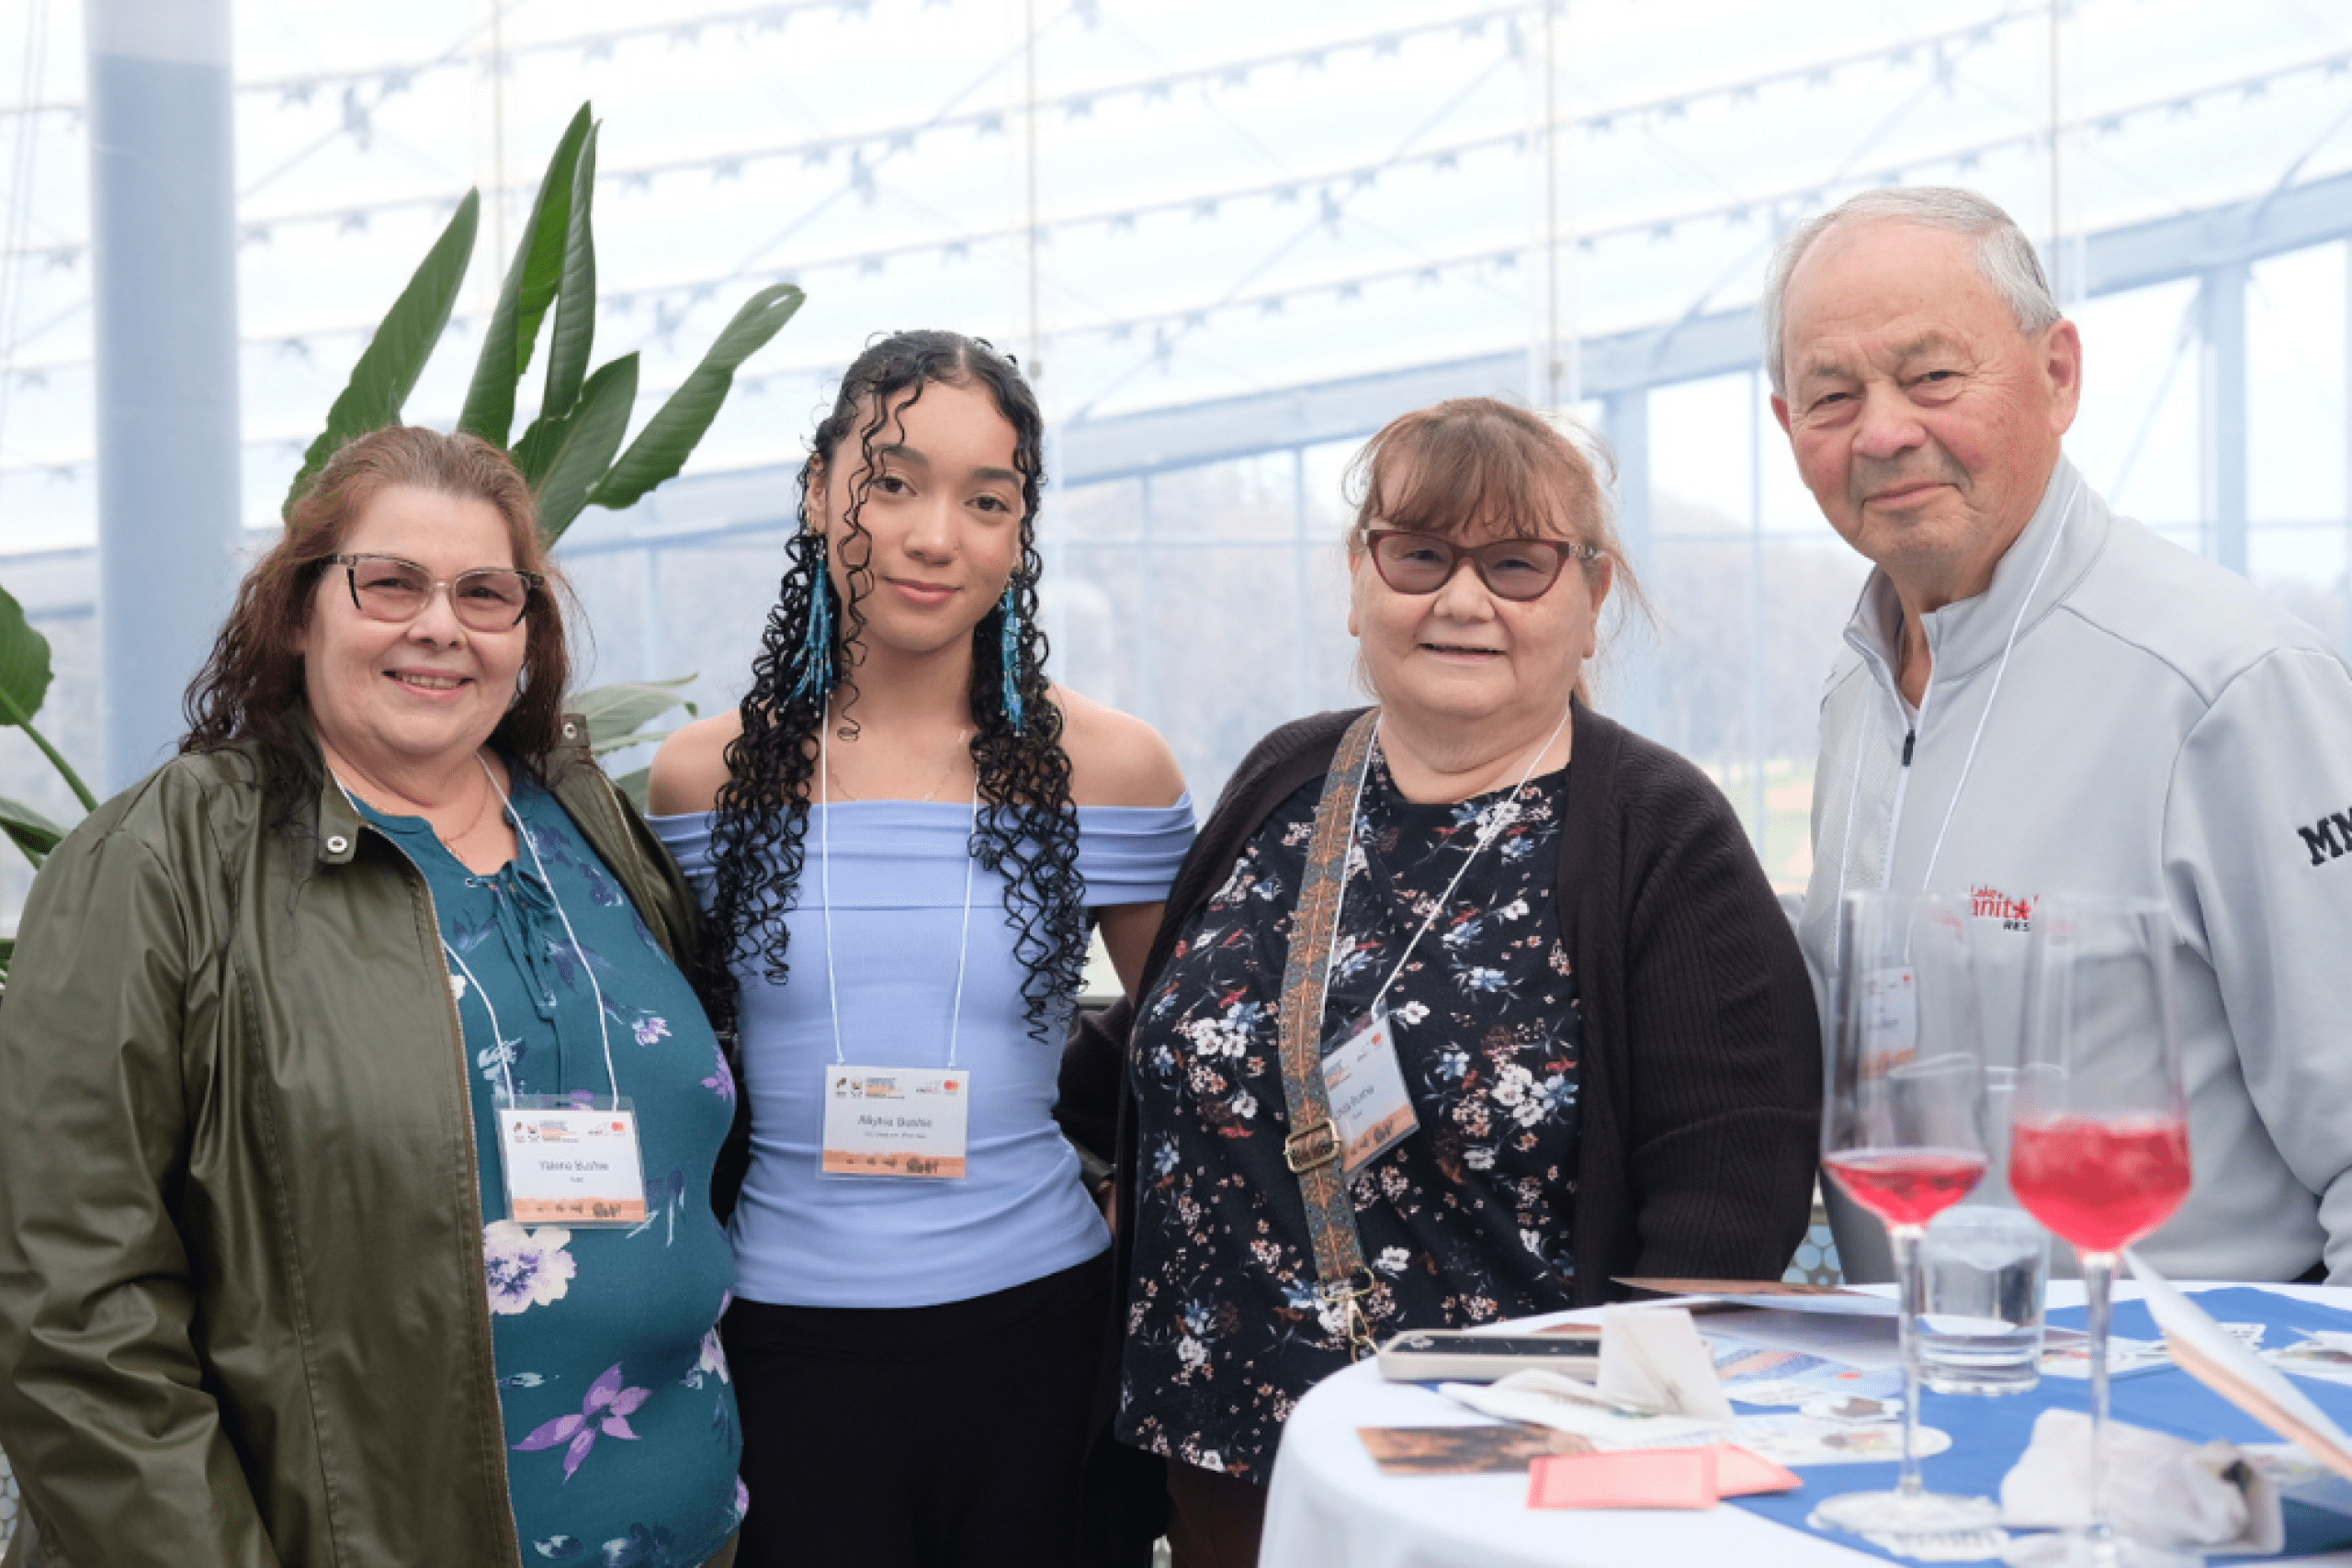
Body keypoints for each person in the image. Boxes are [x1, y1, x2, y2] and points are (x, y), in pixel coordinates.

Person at [1060, 397, 1821, 1565]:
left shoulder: (1660, 836)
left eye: (1516, 564)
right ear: (1360, 581)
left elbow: (1726, 1191)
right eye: (1419, 555)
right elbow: (1174, 1028)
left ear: (1590, 598)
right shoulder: (1287, 775)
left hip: (1500, 1487)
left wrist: (1615, 1485)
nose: (1461, 601)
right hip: (1219, 1455)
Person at [0, 427, 745, 1567]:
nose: (438, 624)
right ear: (299, 612)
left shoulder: (584, 819)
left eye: (486, 594)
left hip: (687, 1537)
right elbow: (72, 1312)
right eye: (390, 583)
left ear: (525, 636)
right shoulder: (164, 860)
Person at [647, 330, 1193, 1568]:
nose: (935, 534)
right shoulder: (700, 781)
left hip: (1043, 1341)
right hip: (786, 1347)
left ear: (1019, 531)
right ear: (819, 490)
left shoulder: (1114, 772)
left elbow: (1192, 1065)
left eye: (986, 499)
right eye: (891, 481)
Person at [1770, 186, 2352, 1283]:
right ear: (1785, 428)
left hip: (2176, 1418)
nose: (1885, 431)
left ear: (2056, 375)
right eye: (1831, 395)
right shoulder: (1856, 692)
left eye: (1932, 375)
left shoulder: (2229, 683)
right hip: (1907, 1406)